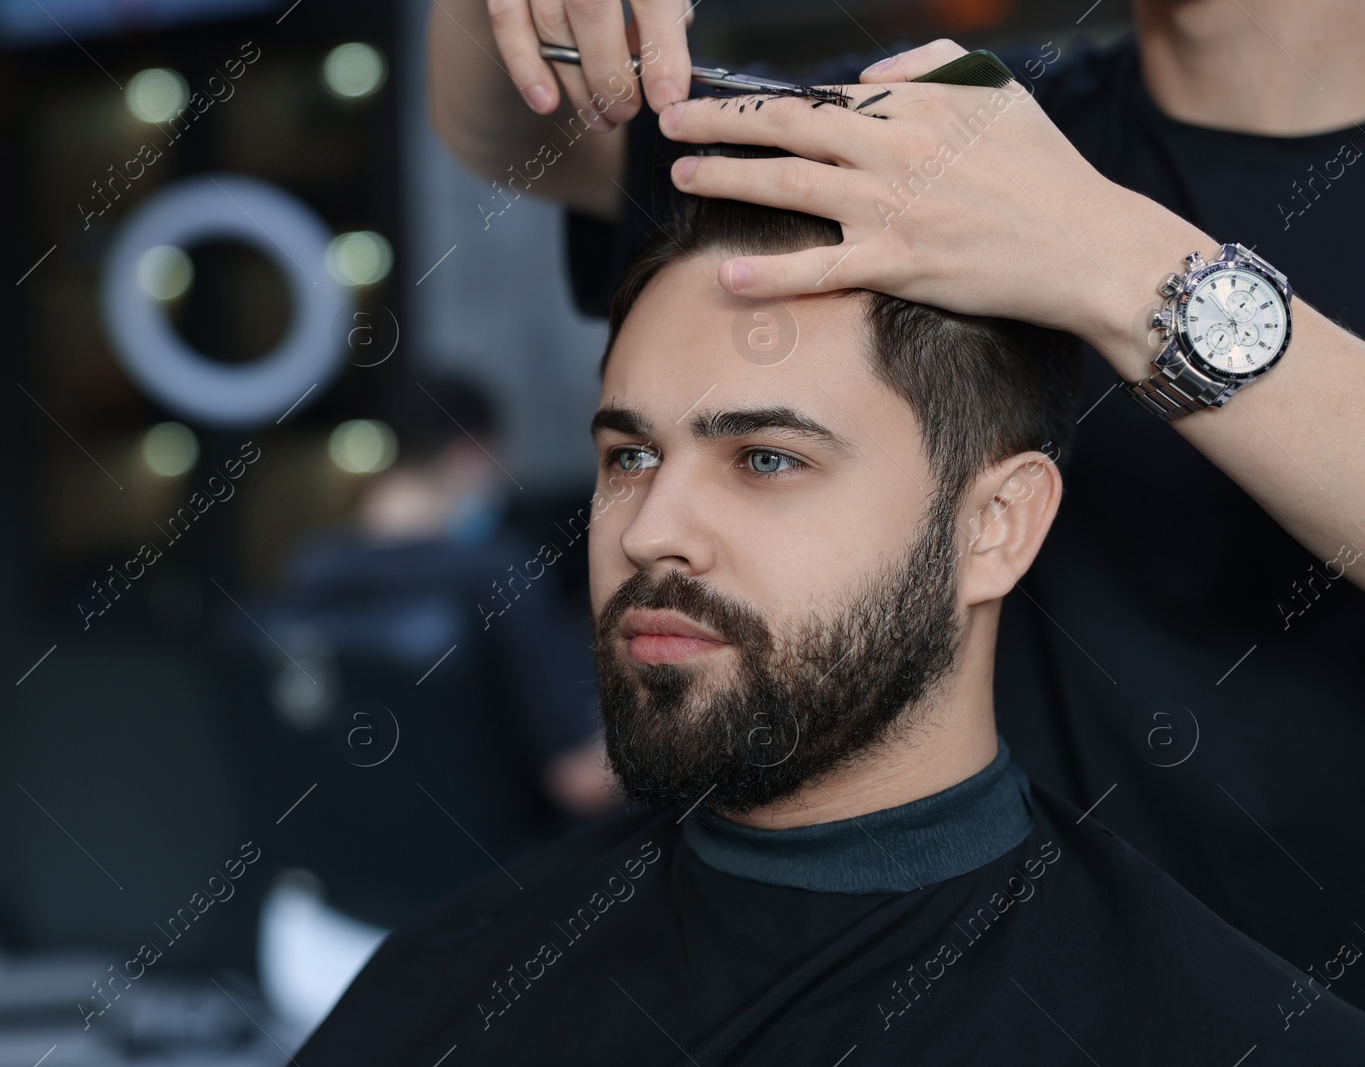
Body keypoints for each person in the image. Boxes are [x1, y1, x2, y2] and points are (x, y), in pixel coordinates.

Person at [288, 150, 1365, 1065]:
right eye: (629, 453)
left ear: (994, 524)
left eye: (763, 456)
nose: (648, 527)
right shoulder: (439, 987)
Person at [220, 371, 618, 1038]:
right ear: (471, 457)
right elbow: (579, 781)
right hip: (478, 947)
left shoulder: (308, 575)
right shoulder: (494, 577)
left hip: (317, 930)